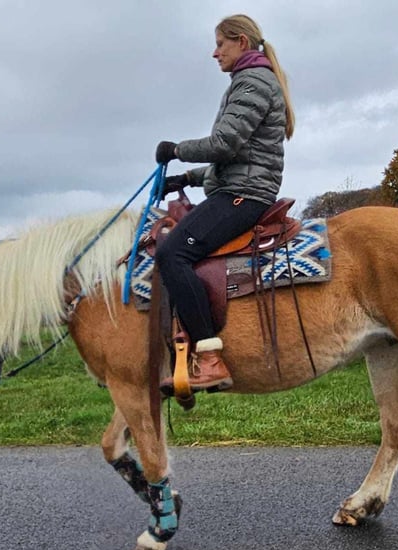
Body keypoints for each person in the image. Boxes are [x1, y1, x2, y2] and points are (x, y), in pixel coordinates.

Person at [154, 14, 295, 393]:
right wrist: (189, 178)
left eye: (221, 44)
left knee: (171, 255)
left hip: (245, 197)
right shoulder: (251, 81)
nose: (214, 52)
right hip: (238, 188)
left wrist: (177, 150)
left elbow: (225, 144)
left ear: (241, 43)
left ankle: (211, 360)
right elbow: (239, 158)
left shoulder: (251, 82)